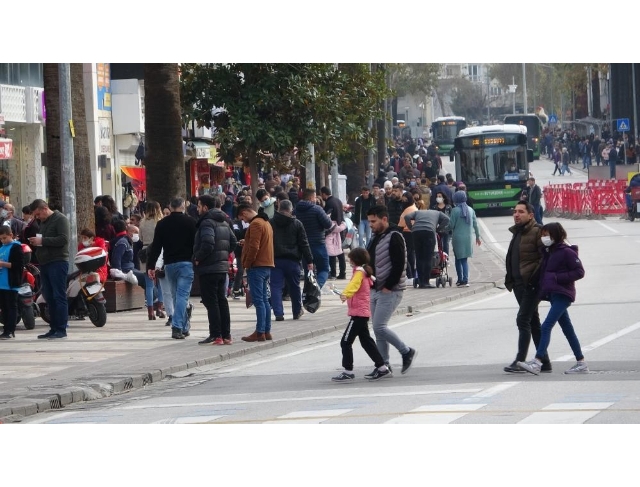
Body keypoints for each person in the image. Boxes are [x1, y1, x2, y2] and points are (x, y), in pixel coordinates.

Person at [517, 222, 589, 375]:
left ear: (556, 235)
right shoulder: (549, 252)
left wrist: (557, 278)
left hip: (563, 294)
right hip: (554, 294)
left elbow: (579, 272)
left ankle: (537, 361)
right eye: (542, 235)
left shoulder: (567, 252)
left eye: (546, 235)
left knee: (546, 326)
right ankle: (581, 362)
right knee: (568, 329)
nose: (544, 238)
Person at [366, 205, 417, 378]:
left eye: (374, 221)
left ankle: (406, 351)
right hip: (375, 288)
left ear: (384, 219)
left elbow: (399, 264)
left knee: (379, 327)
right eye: (369, 222)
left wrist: (388, 285)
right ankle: (383, 365)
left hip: (390, 289)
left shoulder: (395, 236)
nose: (371, 225)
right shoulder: (375, 238)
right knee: (378, 329)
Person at [503, 201, 552, 374]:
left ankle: (520, 360)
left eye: (521, 212)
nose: (516, 214)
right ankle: (544, 361)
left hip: (531, 285)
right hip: (518, 285)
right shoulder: (518, 231)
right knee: (533, 321)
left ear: (531, 215)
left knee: (522, 319)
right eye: (515, 211)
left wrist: (534, 279)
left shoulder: (537, 231)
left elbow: (545, 258)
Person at [331, 248, 391, 382]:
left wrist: (345, 294)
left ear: (355, 260)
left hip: (358, 313)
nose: (349, 260)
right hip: (362, 312)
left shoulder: (359, 272)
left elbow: (354, 285)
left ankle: (348, 370)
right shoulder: (364, 271)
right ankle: (382, 367)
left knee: (345, 341)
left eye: (351, 258)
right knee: (366, 341)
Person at [146, 197, 197, 340]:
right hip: (186, 263)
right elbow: (196, 243)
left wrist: (151, 266)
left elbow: (156, 246)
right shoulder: (191, 222)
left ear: (170, 206)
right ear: (182, 206)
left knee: (176, 296)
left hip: (169, 264)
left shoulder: (162, 224)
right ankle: (177, 326)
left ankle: (184, 326)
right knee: (182, 296)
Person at [194, 194, 237, 346]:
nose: (197, 209)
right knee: (222, 301)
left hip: (209, 268)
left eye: (199, 206)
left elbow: (207, 243)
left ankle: (216, 334)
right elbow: (233, 242)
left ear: (205, 207)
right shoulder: (224, 221)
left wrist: (198, 258)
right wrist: (224, 256)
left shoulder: (207, 222)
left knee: (211, 301)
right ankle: (226, 335)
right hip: (221, 267)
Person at [28, 199, 70, 340]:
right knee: (49, 297)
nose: (37, 217)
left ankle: (61, 329)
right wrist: (37, 242)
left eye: (38, 214)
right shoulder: (44, 222)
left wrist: (43, 241)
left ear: (45, 208)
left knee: (59, 295)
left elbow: (63, 239)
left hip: (57, 262)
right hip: (45, 263)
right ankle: (53, 328)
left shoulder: (60, 219)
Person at [235, 202, 275, 342]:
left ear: (245, 213)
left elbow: (255, 247)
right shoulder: (266, 222)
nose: (243, 221)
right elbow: (259, 243)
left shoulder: (255, 224)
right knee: (264, 300)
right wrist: (246, 242)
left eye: (242, 218)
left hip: (257, 266)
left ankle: (260, 332)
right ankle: (266, 330)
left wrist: (247, 263)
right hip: (266, 264)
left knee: (259, 300)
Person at [270, 199, 313, 322]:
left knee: (276, 287)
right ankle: (296, 311)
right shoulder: (297, 224)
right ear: (290, 209)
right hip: (293, 261)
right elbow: (304, 243)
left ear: (279, 208)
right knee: (294, 287)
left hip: (275, 260)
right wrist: (309, 260)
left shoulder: (271, 223)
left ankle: (278, 313)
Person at [403, 206, 450, 289]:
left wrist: (411, 227)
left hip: (416, 233)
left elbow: (407, 217)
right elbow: (447, 219)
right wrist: (438, 229)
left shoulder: (418, 212)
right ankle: (426, 282)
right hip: (429, 232)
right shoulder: (438, 213)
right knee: (428, 258)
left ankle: (420, 281)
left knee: (419, 257)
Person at [296, 188, 333, 289]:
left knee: (309, 272)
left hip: (303, 246)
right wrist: (327, 217)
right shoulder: (317, 209)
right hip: (318, 243)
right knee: (324, 269)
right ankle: (316, 288)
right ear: (312, 197)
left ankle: (308, 294)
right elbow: (328, 224)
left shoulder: (296, 210)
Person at [139, 201, 165, 320]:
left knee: (149, 284)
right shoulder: (160, 222)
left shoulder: (142, 223)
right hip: (158, 250)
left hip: (145, 250)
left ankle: (150, 311)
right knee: (160, 282)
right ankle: (159, 307)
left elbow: (140, 238)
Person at [449, 191, 481, 287]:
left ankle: (460, 279)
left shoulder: (455, 210)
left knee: (458, 259)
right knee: (464, 260)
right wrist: (478, 237)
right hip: (468, 238)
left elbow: (451, 225)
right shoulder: (471, 210)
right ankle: (465, 280)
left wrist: (442, 228)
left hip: (457, 238)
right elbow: (476, 225)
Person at [0, 226, 24, 340]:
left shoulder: (16, 247)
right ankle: (5, 328)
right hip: (1, 282)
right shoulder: (2, 248)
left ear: (11, 235)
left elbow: (17, 265)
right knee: (4, 307)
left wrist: (2, 264)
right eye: (1, 239)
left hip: (11, 282)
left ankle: (10, 329)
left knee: (11, 306)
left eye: (5, 238)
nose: (3, 241)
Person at [320, 187, 346, 280]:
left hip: (331, 230)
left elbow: (326, 217)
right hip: (340, 229)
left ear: (324, 194)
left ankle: (333, 273)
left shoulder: (329, 203)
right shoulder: (338, 201)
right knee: (340, 251)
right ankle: (343, 272)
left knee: (331, 252)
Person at [430, 190, 453, 255]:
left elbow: (451, 218)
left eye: (440, 196)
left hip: (446, 229)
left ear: (443, 197)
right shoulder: (434, 207)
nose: (438, 198)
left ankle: (446, 258)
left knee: (445, 245)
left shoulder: (448, 207)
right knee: (438, 246)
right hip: (437, 229)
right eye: (437, 197)